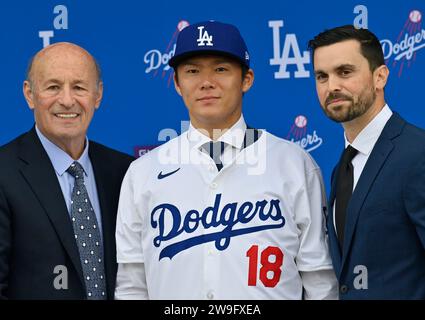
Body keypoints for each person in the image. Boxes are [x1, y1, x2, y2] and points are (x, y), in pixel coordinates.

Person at [115, 20, 337, 300]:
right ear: (177, 83)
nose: (206, 82)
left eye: (221, 69)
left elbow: (319, 280)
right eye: (192, 71)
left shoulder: (293, 164)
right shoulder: (142, 172)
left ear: (247, 79)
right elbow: (132, 284)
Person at [0, 42, 134, 299]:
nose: (67, 100)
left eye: (79, 87)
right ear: (29, 94)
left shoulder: (125, 172)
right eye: (53, 87)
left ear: (98, 96)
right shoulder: (4, 173)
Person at [308, 25, 425, 299]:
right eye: (321, 76)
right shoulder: (342, 168)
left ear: (380, 77)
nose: (332, 86)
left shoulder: (417, 154)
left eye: (345, 72)